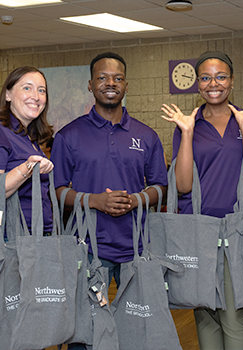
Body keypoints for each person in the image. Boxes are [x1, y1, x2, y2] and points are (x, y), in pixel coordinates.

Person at [51, 52, 168, 350]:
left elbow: (160, 187)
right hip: (88, 249)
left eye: (117, 78)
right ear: (91, 85)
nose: (110, 83)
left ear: (127, 85)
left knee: (138, 328)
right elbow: (56, 191)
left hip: (136, 249)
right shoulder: (69, 136)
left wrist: (137, 200)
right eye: (102, 77)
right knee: (86, 331)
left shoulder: (147, 135)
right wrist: (93, 201)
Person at [161, 51, 243, 350]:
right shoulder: (188, 124)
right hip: (198, 229)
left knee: (234, 316)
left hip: (237, 230)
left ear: (232, 81)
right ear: (197, 84)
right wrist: (187, 133)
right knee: (205, 312)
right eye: (206, 78)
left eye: (221, 76)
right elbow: (182, 184)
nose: (213, 84)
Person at [0, 66, 54, 234]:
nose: (36, 97)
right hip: (14, 242)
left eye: (41, 90)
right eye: (27, 88)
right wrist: (26, 168)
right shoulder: (2, 133)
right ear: (8, 95)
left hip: (37, 237)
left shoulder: (29, 138)